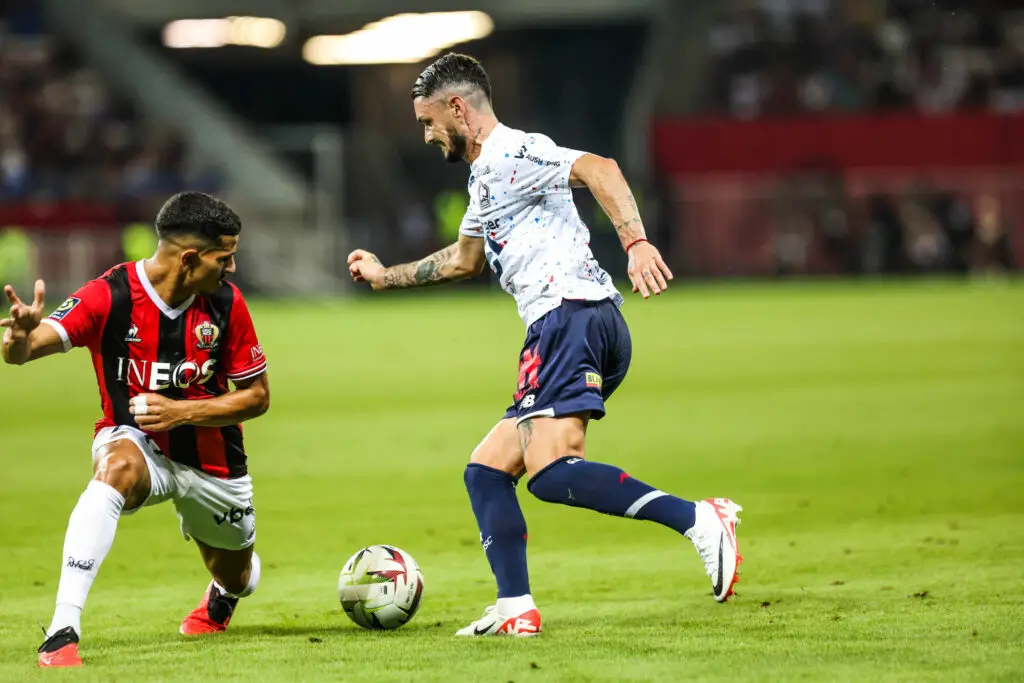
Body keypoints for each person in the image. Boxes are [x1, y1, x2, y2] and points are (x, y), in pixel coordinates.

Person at [346, 53, 742, 637]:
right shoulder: (486, 177)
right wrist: (386, 277)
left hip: (568, 316)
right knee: (486, 470)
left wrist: (635, 243)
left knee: (552, 472)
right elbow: (464, 260)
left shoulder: (512, 152)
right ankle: (515, 608)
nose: (427, 135)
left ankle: (699, 520)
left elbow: (601, 168)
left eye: (429, 122)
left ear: (458, 108)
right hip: (573, 321)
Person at [1, 192, 271, 667]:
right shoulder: (110, 294)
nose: (231, 268)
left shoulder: (227, 304)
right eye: (223, 258)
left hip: (213, 462)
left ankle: (225, 591)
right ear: (189, 258)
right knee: (115, 470)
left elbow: (257, 397)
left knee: (238, 575)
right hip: (135, 441)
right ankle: (63, 629)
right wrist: (19, 338)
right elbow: (24, 352)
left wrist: (180, 413)